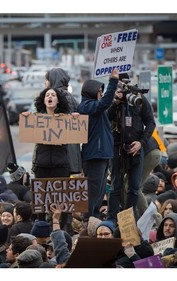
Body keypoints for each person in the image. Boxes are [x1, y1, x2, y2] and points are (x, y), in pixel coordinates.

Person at [22, 87, 77, 235]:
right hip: (42, 165)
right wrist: (27, 117)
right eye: (47, 95)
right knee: (41, 201)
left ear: (58, 100)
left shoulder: (66, 119)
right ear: (43, 100)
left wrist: (75, 119)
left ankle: (61, 228)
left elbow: (78, 131)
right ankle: (42, 229)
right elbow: (28, 129)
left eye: (53, 95)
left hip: (61, 165)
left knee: (62, 199)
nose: (50, 97)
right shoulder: (36, 118)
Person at [106, 73, 156, 225]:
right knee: (116, 186)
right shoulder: (110, 98)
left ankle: (128, 220)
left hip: (136, 147)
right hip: (116, 147)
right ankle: (112, 220)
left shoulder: (138, 99)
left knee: (134, 188)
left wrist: (141, 142)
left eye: (125, 84)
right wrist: (115, 101)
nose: (123, 88)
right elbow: (107, 117)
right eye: (120, 84)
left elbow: (151, 123)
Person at [77, 68, 119, 221]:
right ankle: (88, 219)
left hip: (103, 153)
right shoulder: (86, 107)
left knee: (100, 191)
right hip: (94, 154)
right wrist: (113, 81)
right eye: (99, 91)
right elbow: (104, 103)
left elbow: (107, 106)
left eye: (102, 91)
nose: (101, 94)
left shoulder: (96, 107)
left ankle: (93, 216)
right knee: (93, 190)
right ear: (90, 91)